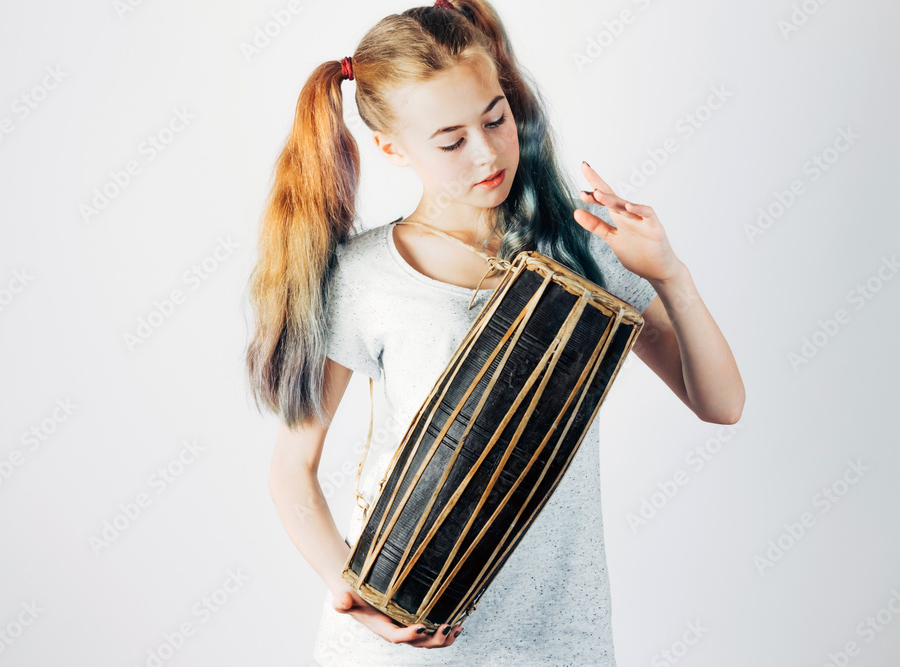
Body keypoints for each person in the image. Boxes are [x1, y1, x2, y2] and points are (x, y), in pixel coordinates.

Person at [245, 1, 745, 664]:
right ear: (393, 148)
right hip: (413, 642)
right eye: (450, 141)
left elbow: (721, 402)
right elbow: (291, 469)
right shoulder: (365, 276)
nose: (485, 152)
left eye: (496, 117)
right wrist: (354, 592)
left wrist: (670, 274)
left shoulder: (584, 246)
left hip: (561, 637)